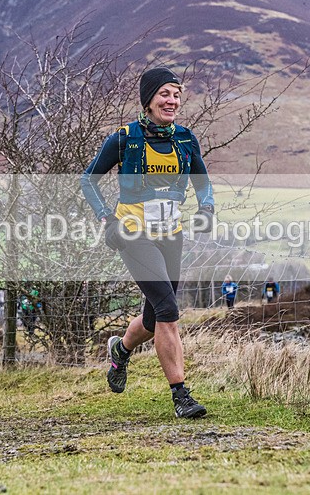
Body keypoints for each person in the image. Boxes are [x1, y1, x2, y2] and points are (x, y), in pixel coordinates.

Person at [81, 66, 215, 418]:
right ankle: (181, 396)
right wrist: (107, 218)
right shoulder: (124, 138)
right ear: (148, 100)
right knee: (169, 310)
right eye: (164, 94)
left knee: (155, 318)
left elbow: (202, 182)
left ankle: (121, 350)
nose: (172, 101)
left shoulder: (185, 138)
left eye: (176, 94)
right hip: (133, 234)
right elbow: (88, 180)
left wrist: (207, 208)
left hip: (171, 235)